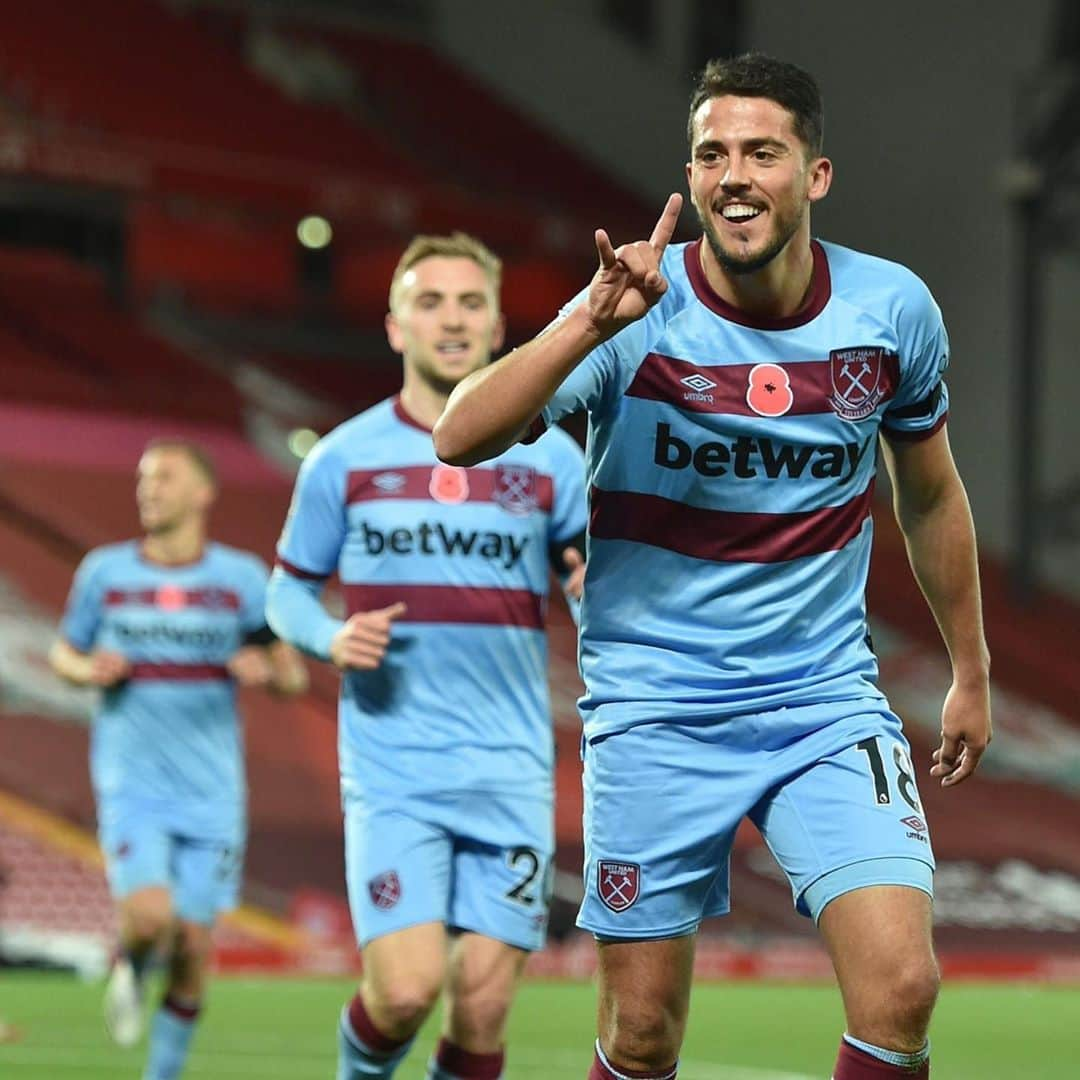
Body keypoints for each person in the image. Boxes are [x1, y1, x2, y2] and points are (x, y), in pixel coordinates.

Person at [433, 53, 992, 1080]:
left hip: (823, 700)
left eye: (762, 152)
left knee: (903, 989)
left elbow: (932, 493)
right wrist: (589, 326)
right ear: (689, 180)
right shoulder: (631, 310)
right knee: (643, 1035)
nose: (734, 174)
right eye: (711, 154)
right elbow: (460, 436)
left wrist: (970, 670)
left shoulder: (891, 310)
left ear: (814, 175)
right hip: (655, 708)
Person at [266, 232, 588, 1080]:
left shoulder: (551, 458)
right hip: (395, 771)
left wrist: (598, 594)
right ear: (395, 325)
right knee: (405, 994)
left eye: (470, 302)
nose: (452, 319)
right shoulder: (343, 457)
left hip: (511, 771)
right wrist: (330, 637)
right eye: (431, 302)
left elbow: (591, 583)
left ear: (497, 326)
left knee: (481, 1011)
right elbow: (285, 593)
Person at [50, 439, 308, 1080]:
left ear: (202, 492)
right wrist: (88, 669)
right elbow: (63, 653)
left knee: (193, 945)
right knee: (147, 921)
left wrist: (266, 670)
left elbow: (293, 675)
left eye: (164, 477)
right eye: (143, 479)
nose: (148, 489)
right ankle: (132, 962)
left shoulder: (239, 580)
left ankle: (160, 1075)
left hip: (213, 790)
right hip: (132, 780)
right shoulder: (106, 575)